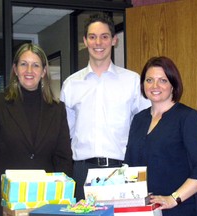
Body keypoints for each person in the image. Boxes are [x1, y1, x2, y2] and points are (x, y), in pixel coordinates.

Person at [0, 43, 73, 216]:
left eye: (36, 65)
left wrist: (63, 201)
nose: (29, 70)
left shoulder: (57, 109)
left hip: (45, 202)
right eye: (23, 64)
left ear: (43, 72)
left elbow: (63, 158)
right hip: (5, 202)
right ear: (15, 69)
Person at [60, 12, 150, 201]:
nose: (98, 43)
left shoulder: (132, 81)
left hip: (122, 170)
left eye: (104, 36)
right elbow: (64, 133)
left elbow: (146, 127)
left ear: (114, 40)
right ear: (85, 41)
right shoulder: (71, 84)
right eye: (92, 37)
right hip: (82, 171)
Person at [124, 56, 197, 216]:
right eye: (149, 80)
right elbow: (130, 165)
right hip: (144, 209)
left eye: (163, 80)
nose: (155, 86)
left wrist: (173, 199)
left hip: (180, 208)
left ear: (173, 85)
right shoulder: (138, 119)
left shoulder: (187, 117)